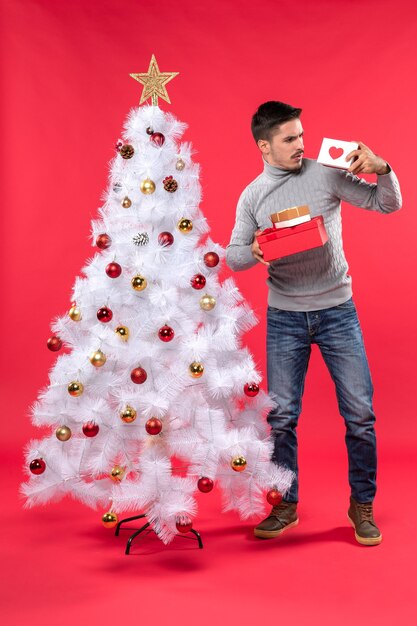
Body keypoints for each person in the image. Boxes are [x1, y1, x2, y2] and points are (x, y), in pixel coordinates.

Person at [226, 101, 402, 546]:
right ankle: (285, 505)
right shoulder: (252, 196)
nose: (300, 145)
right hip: (285, 316)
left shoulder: (324, 173)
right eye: (289, 139)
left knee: (360, 415)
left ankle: (361, 504)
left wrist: (383, 167)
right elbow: (233, 255)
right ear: (265, 147)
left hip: (338, 311)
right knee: (282, 417)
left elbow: (388, 203)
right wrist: (257, 251)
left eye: (301, 135)